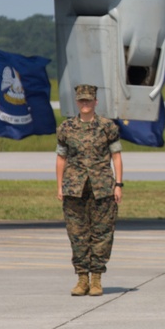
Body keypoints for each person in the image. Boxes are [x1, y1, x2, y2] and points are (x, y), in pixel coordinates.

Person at [56, 84, 123, 297]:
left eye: (89, 100)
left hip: (102, 187)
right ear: (77, 102)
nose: (85, 104)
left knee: (102, 233)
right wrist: (60, 186)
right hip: (74, 188)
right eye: (81, 100)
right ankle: (82, 278)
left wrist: (118, 184)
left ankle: (96, 278)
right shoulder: (66, 128)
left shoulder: (107, 127)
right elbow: (61, 158)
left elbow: (116, 157)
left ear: (96, 102)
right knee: (77, 234)